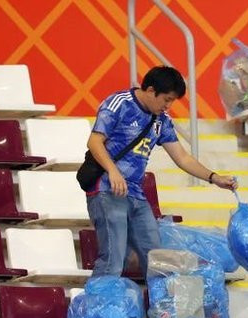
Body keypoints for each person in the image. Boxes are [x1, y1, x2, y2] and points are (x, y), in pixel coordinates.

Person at [86, 66, 237, 277]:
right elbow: (94, 141)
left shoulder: (162, 120)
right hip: (107, 190)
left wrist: (214, 178)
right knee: (113, 260)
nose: (168, 105)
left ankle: (162, 309)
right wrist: (113, 171)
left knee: (157, 261)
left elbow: (182, 157)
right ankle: (100, 308)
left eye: (172, 101)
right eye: (166, 99)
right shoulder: (119, 103)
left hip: (136, 195)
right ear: (150, 90)